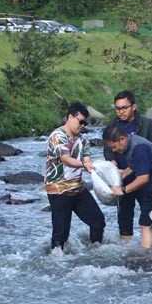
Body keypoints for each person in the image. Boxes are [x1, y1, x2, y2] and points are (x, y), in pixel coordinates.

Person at [44, 102, 106, 250]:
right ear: (70, 117)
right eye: (81, 121)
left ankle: (95, 251)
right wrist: (84, 165)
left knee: (98, 221)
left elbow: (87, 159)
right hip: (59, 190)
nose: (83, 125)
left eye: (85, 122)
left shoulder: (83, 140)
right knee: (61, 234)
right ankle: (56, 263)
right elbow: (66, 159)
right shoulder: (57, 136)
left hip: (77, 189)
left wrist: (91, 166)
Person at [103, 123, 152, 248]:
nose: (114, 151)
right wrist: (124, 173)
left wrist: (123, 190)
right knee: (146, 222)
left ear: (122, 139)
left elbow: (143, 178)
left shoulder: (139, 148)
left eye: (114, 147)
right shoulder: (130, 144)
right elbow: (136, 164)